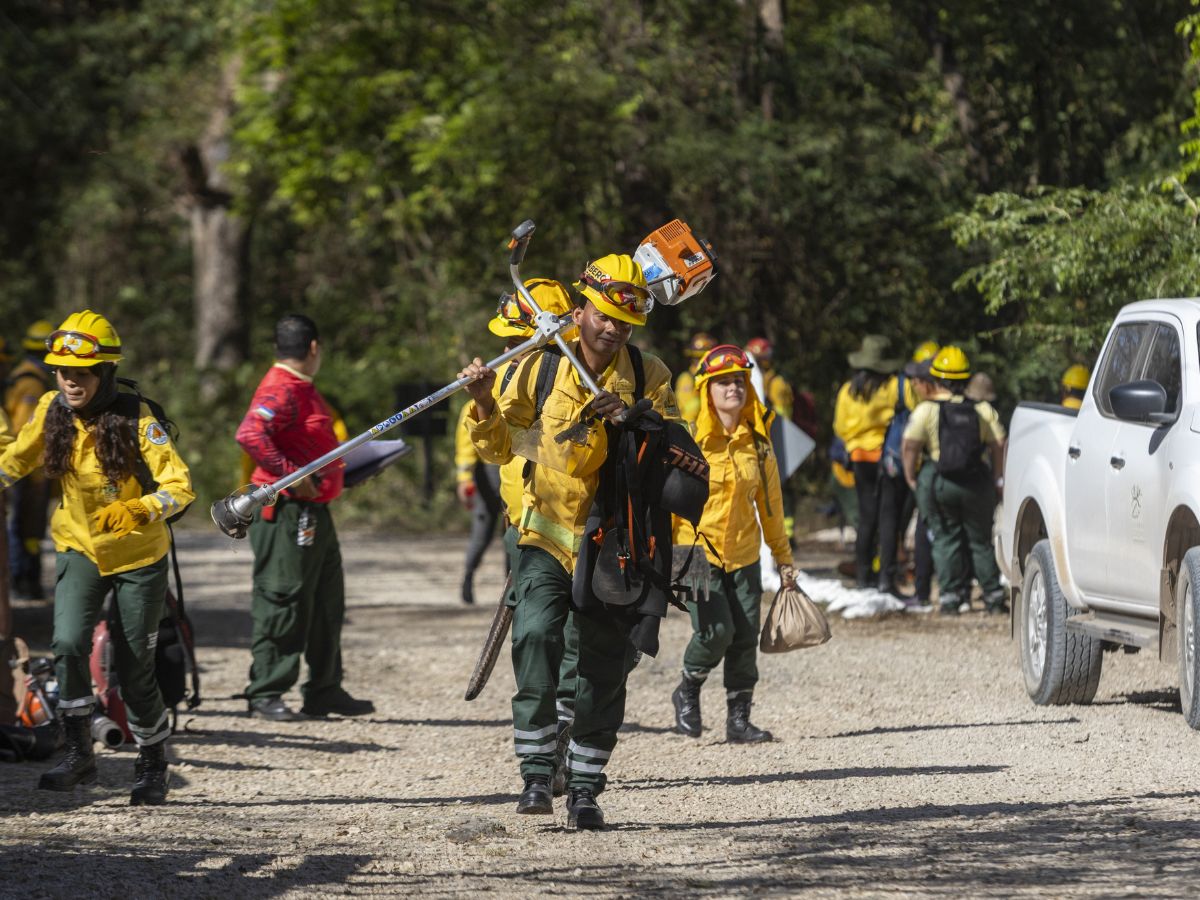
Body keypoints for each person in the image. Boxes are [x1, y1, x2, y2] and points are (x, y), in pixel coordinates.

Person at [458, 253, 677, 830]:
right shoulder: (538, 367)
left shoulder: (650, 374)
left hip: (617, 544)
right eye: (603, 315)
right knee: (534, 635)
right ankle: (535, 772)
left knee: (603, 666)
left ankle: (584, 787)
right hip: (544, 536)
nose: (612, 329)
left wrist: (632, 419)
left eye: (624, 322)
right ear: (578, 311)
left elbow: (676, 456)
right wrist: (482, 400)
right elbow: (501, 447)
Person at [0, 310, 193, 804]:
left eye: (80, 373)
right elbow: (14, 462)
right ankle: (79, 750)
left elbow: (180, 487)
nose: (69, 381)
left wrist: (141, 508)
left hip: (138, 554)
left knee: (134, 669)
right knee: (66, 643)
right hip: (80, 547)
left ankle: (151, 762)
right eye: (61, 371)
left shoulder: (136, 417)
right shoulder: (50, 409)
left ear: (104, 372)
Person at [236, 314, 374, 721]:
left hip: (316, 514)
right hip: (286, 514)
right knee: (284, 599)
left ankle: (324, 689)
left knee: (327, 602)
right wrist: (292, 478)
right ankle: (266, 691)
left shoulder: (302, 388)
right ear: (313, 347)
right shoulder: (281, 387)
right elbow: (249, 435)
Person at [670, 344, 796, 742]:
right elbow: (667, 502)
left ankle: (738, 721)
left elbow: (771, 506)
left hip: (743, 554)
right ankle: (687, 689)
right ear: (706, 390)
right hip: (694, 553)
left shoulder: (758, 443)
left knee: (744, 635)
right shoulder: (687, 438)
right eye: (722, 382)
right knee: (715, 631)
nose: (733, 389)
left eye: (739, 381)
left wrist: (783, 558)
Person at [900, 346, 1007, 615]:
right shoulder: (982, 409)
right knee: (980, 540)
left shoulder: (926, 410)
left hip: (942, 482)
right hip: (976, 483)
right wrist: (997, 478)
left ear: (936, 378)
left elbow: (909, 445)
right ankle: (993, 597)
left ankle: (950, 597)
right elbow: (999, 443)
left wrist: (910, 476)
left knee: (946, 539)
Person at [833, 335, 907, 592]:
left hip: (859, 460)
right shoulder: (895, 386)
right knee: (889, 519)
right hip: (888, 459)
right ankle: (887, 578)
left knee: (866, 519)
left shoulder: (847, 391)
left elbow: (840, 428)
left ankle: (863, 577)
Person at [6, 320, 55, 600]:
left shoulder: (21, 375)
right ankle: (23, 580)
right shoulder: (32, 383)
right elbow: (27, 431)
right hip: (27, 470)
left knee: (24, 526)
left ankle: (24, 579)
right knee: (25, 527)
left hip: (23, 467)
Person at [674, 332, 716, 423]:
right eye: (697, 358)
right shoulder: (686, 378)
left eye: (704, 358)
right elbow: (686, 411)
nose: (700, 362)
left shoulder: (717, 377)